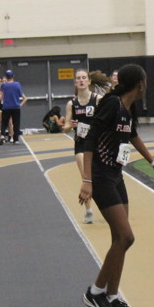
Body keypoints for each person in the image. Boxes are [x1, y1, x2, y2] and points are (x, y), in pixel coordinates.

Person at [78, 64, 154, 307]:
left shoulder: (129, 108)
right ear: (140, 84)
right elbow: (90, 139)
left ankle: (112, 296)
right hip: (101, 177)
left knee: (119, 239)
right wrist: (87, 180)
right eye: (146, 81)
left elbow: (133, 136)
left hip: (116, 176)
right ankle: (95, 291)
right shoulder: (112, 104)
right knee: (126, 237)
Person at [64, 69, 100, 224]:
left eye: (84, 78)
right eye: (78, 78)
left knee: (100, 177)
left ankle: (109, 205)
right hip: (81, 144)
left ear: (89, 81)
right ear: (75, 82)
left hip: (97, 143)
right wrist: (70, 125)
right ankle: (88, 211)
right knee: (86, 176)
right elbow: (66, 127)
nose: (81, 80)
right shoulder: (72, 104)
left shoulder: (97, 99)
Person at [0, 70, 27, 145]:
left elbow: (1, 95)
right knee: (16, 123)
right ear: (13, 76)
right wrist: (20, 104)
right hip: (15, 107)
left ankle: (2, 134)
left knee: (4, 122)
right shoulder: (17, 84)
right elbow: (21, 94)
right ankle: (16, 139)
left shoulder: (3, 85)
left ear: (6, 77)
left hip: (6, 107)